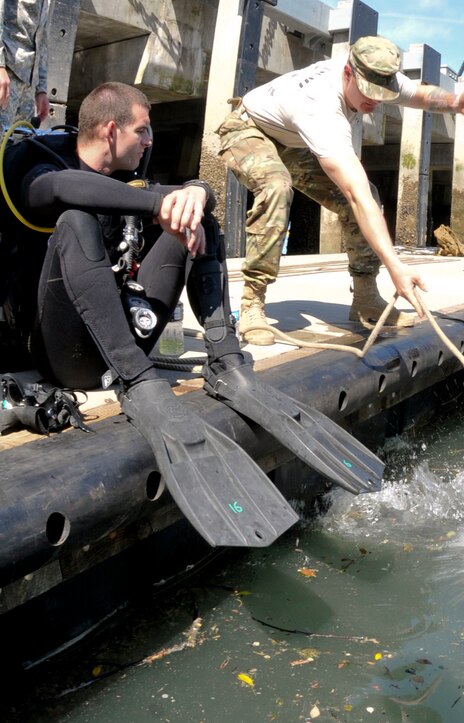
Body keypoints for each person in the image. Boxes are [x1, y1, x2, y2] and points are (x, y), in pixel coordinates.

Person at [14, 82, 385, 547]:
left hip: (124, 330)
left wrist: (194, 192)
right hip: (65, 350)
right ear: (110, 131)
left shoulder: (134, 164)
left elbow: (192, 197)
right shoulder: (37, 160)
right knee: (77, 219)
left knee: (197, 216)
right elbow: (56, 189)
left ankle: (224, 363)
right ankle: (138, 381)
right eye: (143, 130)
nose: (151, 141)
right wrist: (159, 201)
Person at [216, 36, 464, 345]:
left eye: (382, 95)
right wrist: (396, 266)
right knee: (277, 186)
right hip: (249, 130)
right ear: (348, 73)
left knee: (371, 195)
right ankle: (252, 304)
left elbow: (419, 94)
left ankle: (365, 298)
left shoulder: (379, 74)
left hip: (292, 139)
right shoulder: (320, 105)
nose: (375, 103)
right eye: (368, 94)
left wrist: (454, 103)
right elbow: (356, 194)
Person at [0, 0, 51, 129]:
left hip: (28, 85)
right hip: (7, 74)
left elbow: (42, 35)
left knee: (17, 147)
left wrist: (41, 88)